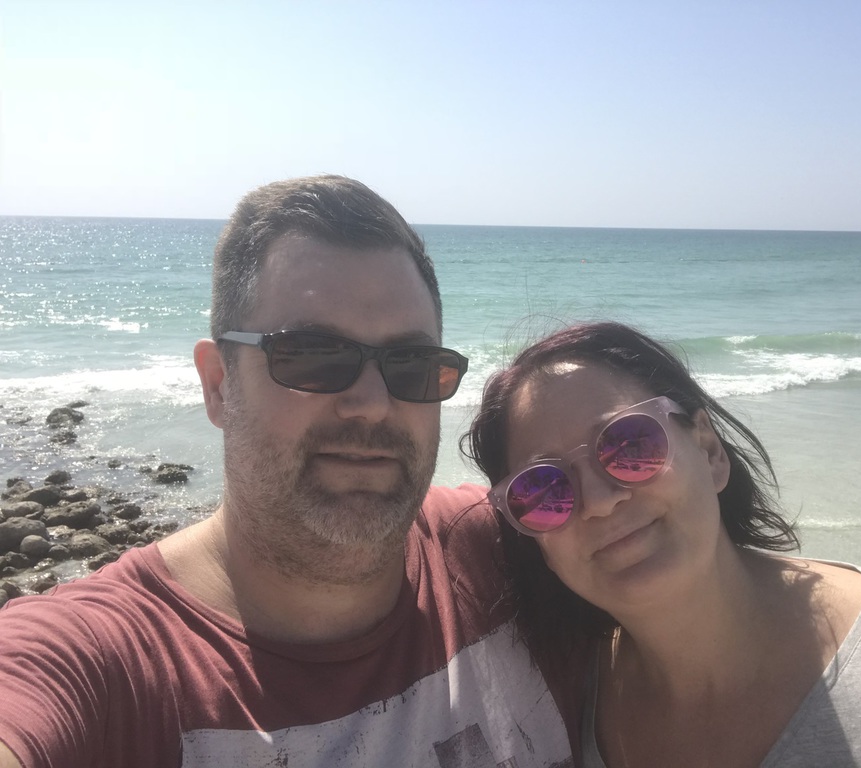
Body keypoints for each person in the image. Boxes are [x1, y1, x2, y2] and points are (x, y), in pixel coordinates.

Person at [0, 176, 574, 767]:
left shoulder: (499, 547)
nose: (372, 404)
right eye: (312, 355)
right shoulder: (99, 664)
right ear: (219, 384)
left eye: (412, 364)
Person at [462, 320, 861, 767]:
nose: (601, 501)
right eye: (544, 489)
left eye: (629, 444)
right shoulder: (564, 699)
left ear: (709, 452)